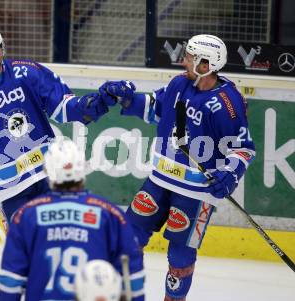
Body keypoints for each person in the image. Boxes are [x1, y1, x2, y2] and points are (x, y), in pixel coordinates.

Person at [100, 34, 255, 300]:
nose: (184, 61)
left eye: (190, 57)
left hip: (195, 192)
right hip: (159, 181)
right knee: (128, 238)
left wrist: (229, 174)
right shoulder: (180, 84)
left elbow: (243, 148)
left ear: (206, 65)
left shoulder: (226, 103)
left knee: (180, 256)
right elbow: (155, 109)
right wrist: (126, 98)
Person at [0, 23, 114, 227]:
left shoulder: (26, 72)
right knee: (26, 250)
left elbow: (64, 107)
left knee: (63, 236)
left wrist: (93, 103)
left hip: (50, 175)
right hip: (10, 189)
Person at [0, 138, 145, 301]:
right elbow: (133, 278)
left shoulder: (25, 215)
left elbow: (10, 281)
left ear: (48, 171)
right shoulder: (111, 214)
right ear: (83, 169)